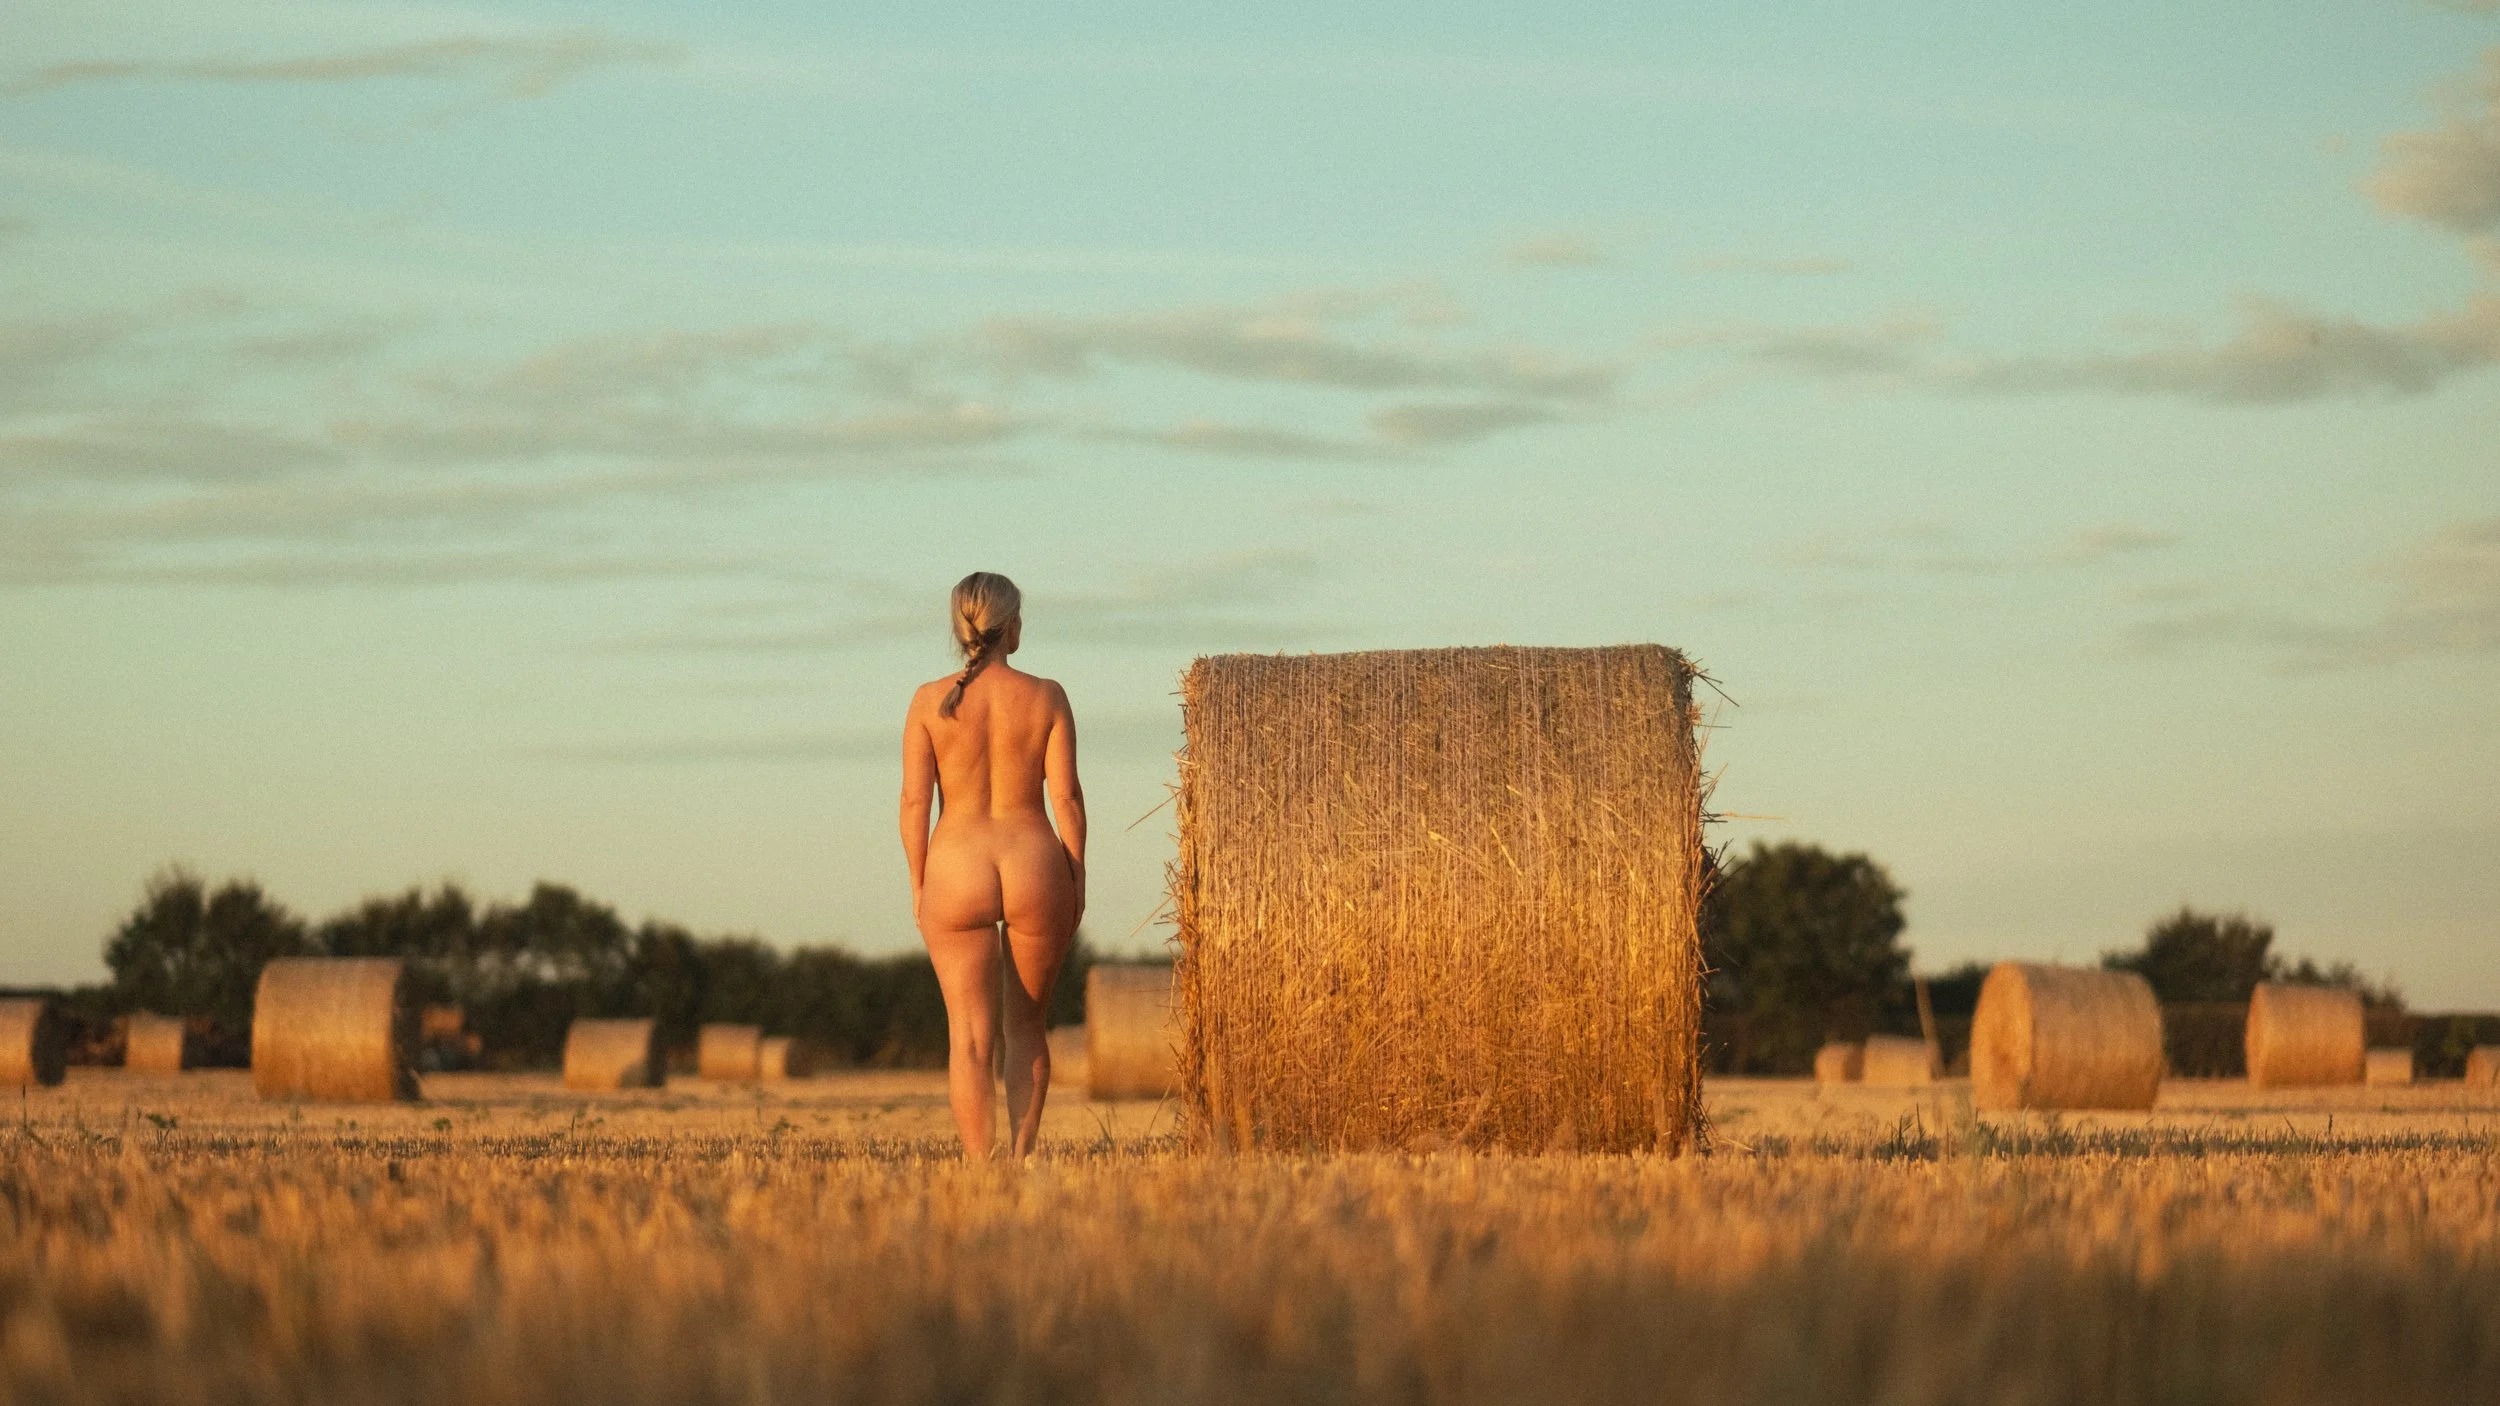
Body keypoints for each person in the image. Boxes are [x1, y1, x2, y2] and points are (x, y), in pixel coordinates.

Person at [899, 571, 1085, 1156]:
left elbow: (913, 803)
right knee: (1027, 1026)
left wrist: (919, 882)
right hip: (1034, 864)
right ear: (1012, 626)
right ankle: (1022, 1159)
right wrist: (1076, 876)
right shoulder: (1047, 695)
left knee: (970, 1038)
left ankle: (981, 1173)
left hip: (956, 867)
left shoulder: (928, 701)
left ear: (961, 629)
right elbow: (1067, 800)